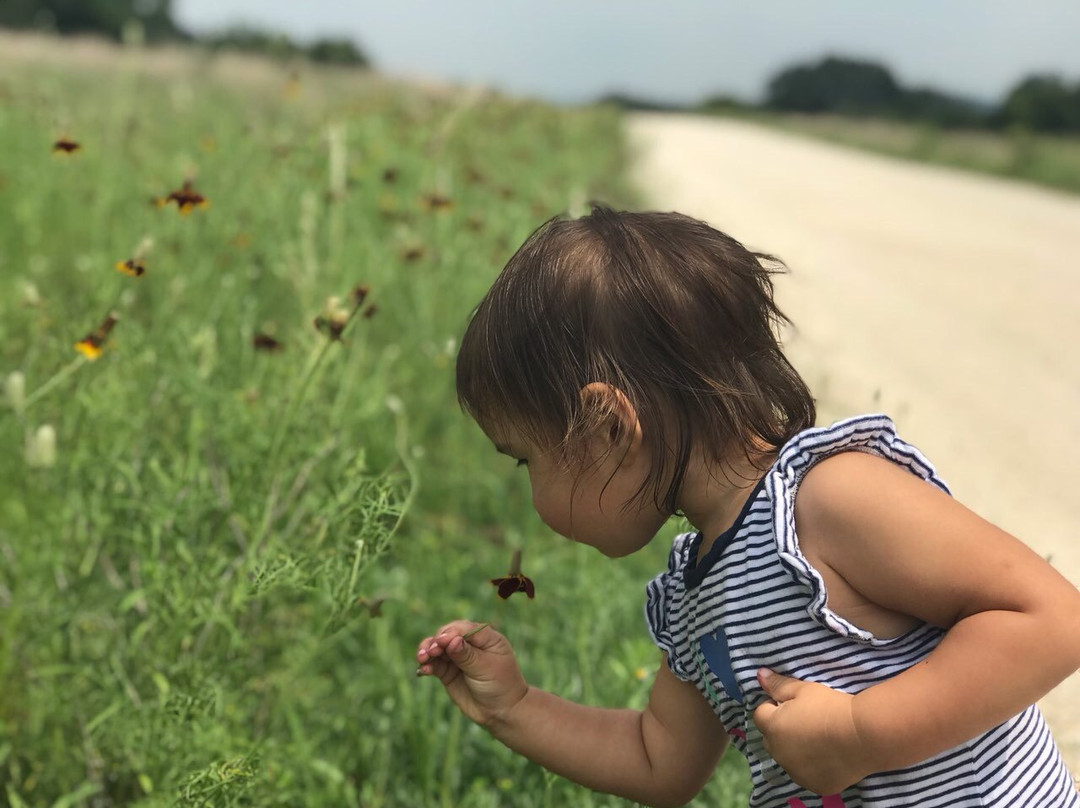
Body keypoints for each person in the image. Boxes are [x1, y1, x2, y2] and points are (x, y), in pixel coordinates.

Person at [415, 205, 1080, 807]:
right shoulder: (691, 592)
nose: (530, 494)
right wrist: (516, 707)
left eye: (525, 458)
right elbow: (658, 760)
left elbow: (1049, 618)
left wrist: (861, 732)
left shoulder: (825, 499)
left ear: (609, 426)